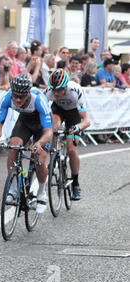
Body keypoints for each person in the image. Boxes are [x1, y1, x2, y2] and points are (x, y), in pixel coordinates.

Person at [0, 73, 52, 214]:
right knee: (13, 146)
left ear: (28, 93)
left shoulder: (39, 100)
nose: (17, 100)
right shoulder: (7, 97)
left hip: (41, 128)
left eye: (22, 96)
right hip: (24, 123)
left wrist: (40, 143)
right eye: (15, 95)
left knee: (40, 160)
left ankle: (42, 194)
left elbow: (48, 132)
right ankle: (12, 189)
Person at [43, 69, 90, 201]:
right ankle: (53, 152)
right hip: (58, 110)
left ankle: (75, 183)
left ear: (66, 87)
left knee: (71, 150)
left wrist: (78, 127)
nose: (56, 93)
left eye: (59, 90)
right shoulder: (48, 92)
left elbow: (87, 120)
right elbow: (40, 113)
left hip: (74, 114)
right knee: (53, 127)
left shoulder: (75, 91)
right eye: (54, 90)